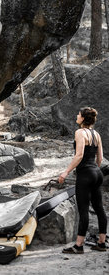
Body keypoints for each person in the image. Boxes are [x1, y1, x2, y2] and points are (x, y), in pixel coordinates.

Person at [58, 107, 107, 254]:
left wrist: (65, 172)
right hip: (97, 173)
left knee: (83, 210)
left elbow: (79, 156)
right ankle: (102, 243)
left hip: (85, 175)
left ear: (83, 118)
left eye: (78, 114)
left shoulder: (80, 133)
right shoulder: (96, 134)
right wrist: (94, 170)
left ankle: (78, 246)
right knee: (99, 208)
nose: (77, 116)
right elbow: (100, 158)